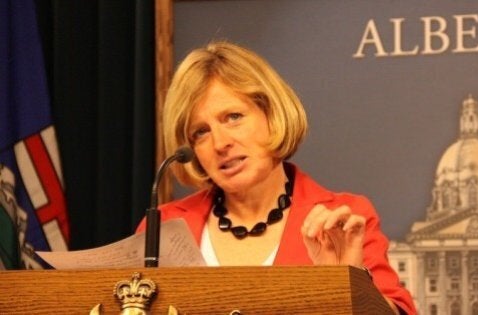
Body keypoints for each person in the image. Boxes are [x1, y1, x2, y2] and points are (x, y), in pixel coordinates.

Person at [137, 41, 416, 315]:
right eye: (200, 132)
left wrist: (352, 286)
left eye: (233, 117)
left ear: (272, 115)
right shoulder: (161, 229)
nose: (220, 143)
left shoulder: (342, 219)